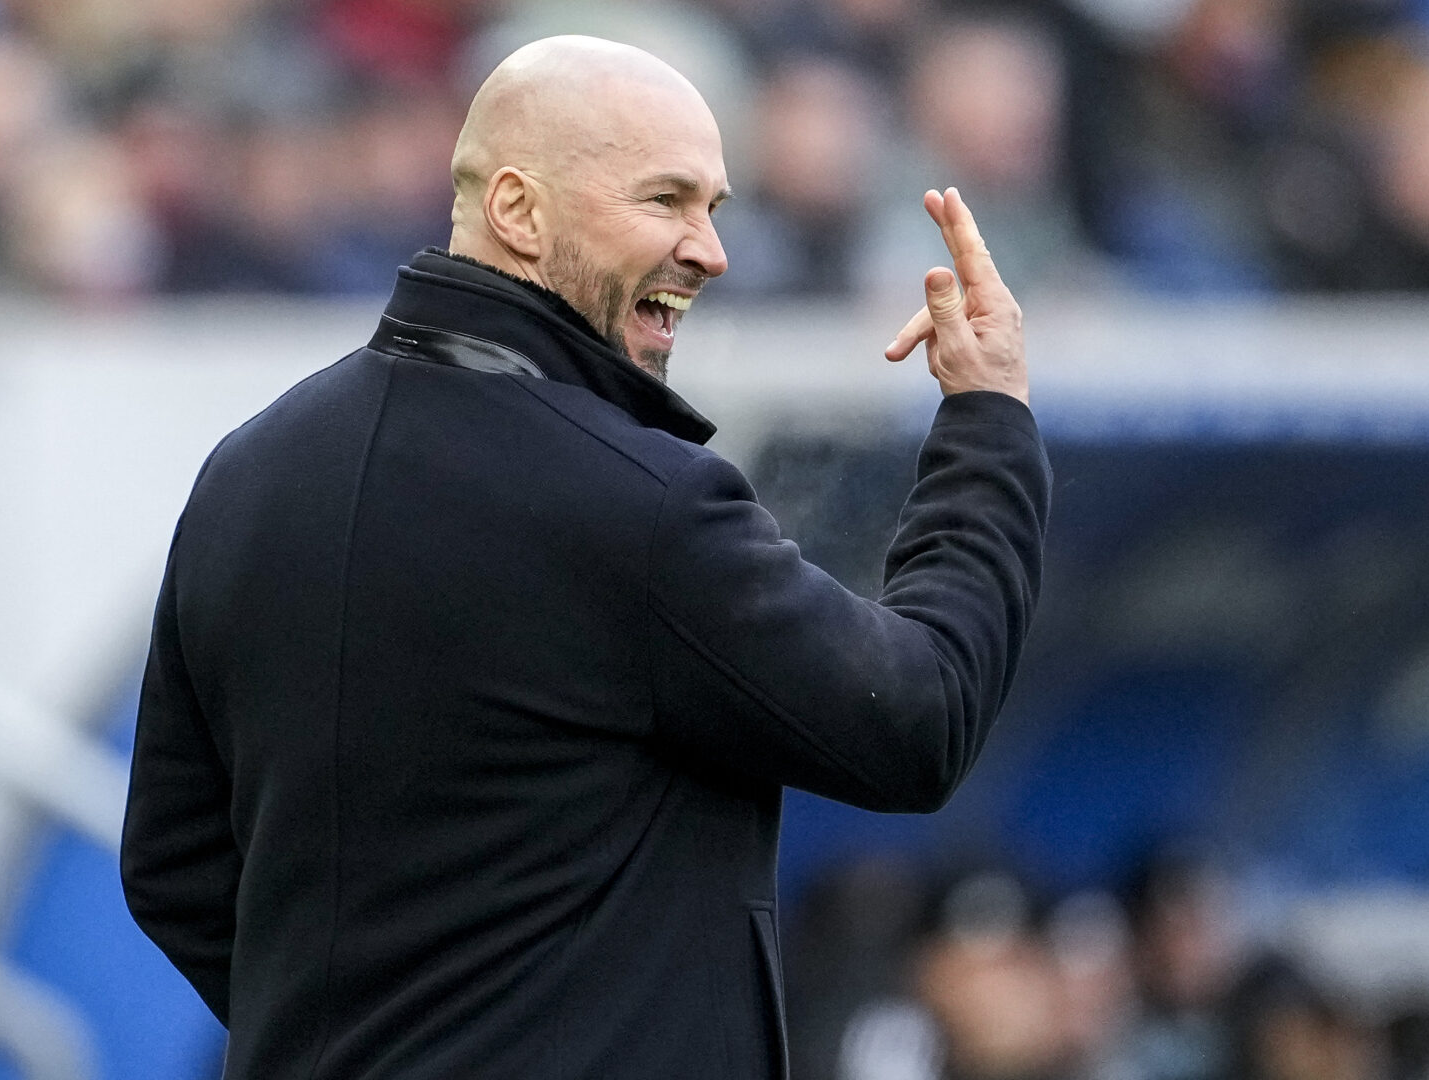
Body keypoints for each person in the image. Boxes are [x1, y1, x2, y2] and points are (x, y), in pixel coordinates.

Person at [119, 34, 1051, 1080]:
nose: (711, 251)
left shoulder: (247, 474)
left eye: (714, 207)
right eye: (666, 201)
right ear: (518, 210)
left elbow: (172, 868)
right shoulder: (641, 506)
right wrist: (987, 421)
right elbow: (918, 717)